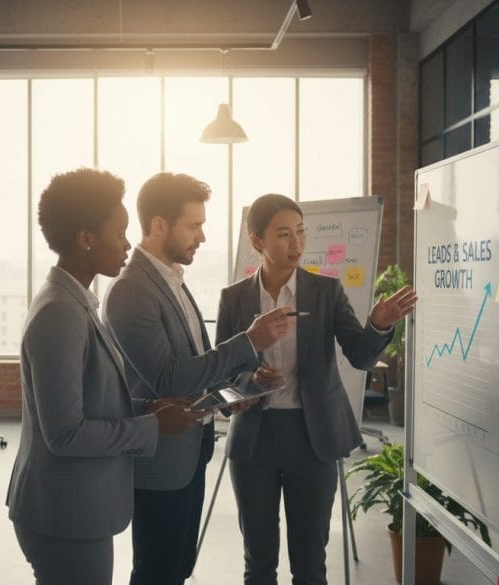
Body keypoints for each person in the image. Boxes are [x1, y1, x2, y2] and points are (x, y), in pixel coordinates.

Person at [6, 168, 204, 585]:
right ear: (86, 238)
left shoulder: (76, 302)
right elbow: (65, 433)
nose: (128, 244)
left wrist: (147, 406)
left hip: (75, 509)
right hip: (65, 513)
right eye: (119, 233)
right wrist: (150, 426)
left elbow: (88, 398)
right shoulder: (60, 312)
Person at [216, 194, 417, 585]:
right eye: (284, 235)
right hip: (254, 440)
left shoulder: (325, 292)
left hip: (313, 438)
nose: (297, 244)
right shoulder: (233, 298)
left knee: (310, 564)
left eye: (301, 232)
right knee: (258, 563)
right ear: (258, 242)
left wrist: (377, 324)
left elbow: (359, 356)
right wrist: (251, 382)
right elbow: (222, 374)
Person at [103, 172, 293, 585]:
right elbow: (167, 378)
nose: (202, 236)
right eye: (194, 225)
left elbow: (194, 363)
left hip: (189, 452)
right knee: (157, 572)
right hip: (161, 461)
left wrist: (238, 385)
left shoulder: (172, 280)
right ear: (158, 225)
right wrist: (250, 340)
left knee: (178, 568)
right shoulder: (130, 290)